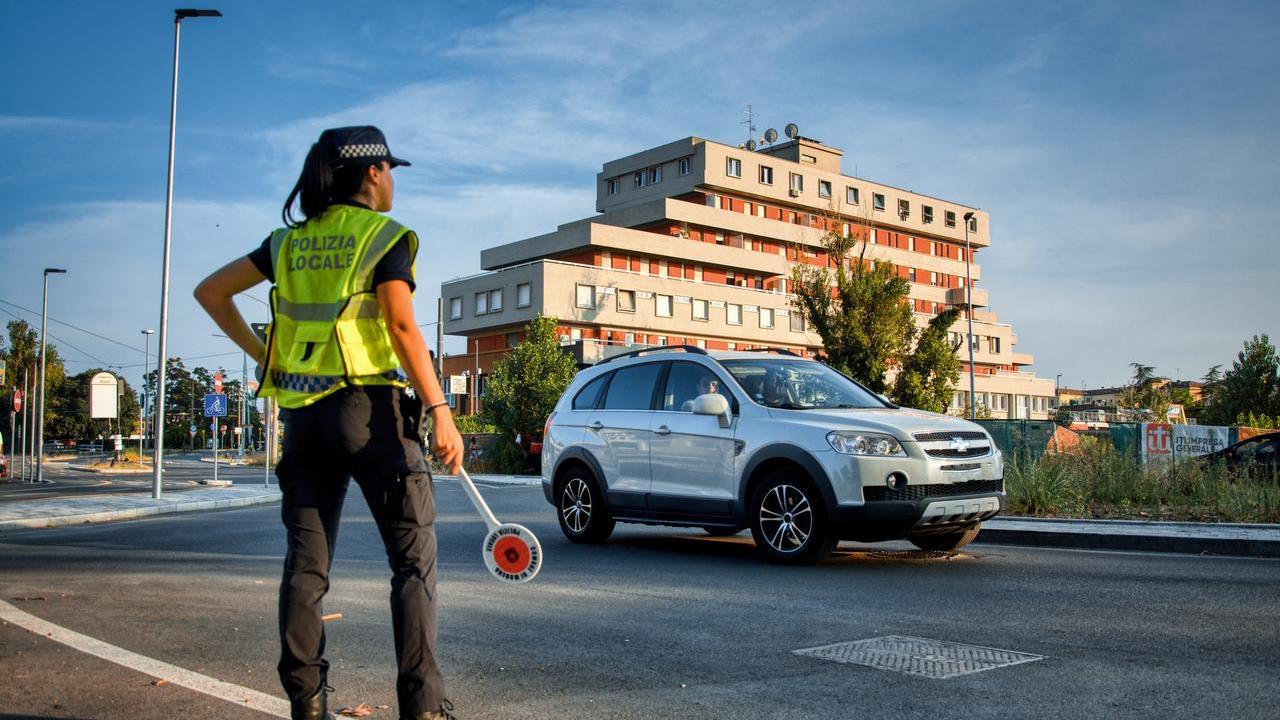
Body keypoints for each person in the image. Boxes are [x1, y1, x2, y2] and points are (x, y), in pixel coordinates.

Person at [194, 126, 463, 720]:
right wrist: (441, 410)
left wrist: (265, 355)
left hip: (304, 420)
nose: (392, 181)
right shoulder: (383, 236)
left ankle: (307, 704)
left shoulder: (287, 244)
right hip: (371, 417)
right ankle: (422, 707)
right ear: (372, 173)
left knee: (306, 569)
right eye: (390, 170)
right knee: (413, 563)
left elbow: (211, 292)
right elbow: (401, 326)